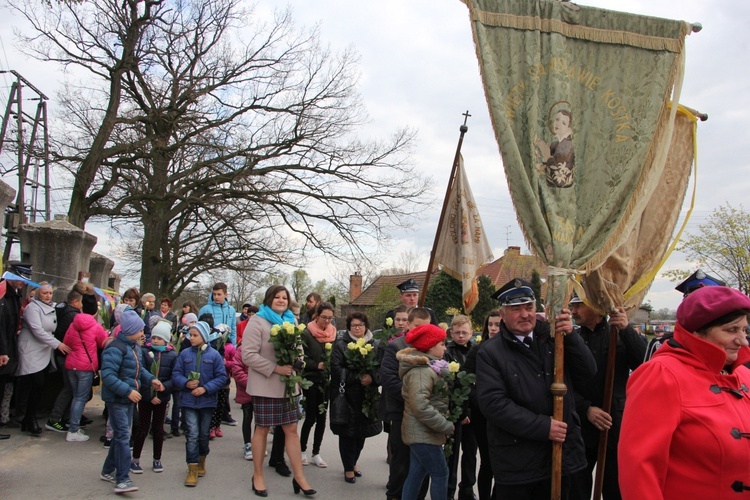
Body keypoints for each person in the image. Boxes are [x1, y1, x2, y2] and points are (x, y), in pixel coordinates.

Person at [619, 286, 750, 498]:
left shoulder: (743, 375)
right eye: (731, 330)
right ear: (697, 331)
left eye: (744, 330)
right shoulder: (662, 375)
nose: (743, 340)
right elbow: (640, 469)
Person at [476, 279, 596, 500]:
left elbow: (588, 372)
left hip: (563, 455)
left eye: (529, 307)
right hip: (518, 463)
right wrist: (543, 426)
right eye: (516, 309)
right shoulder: (490, 352)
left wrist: (571, 337)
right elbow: (493, 404)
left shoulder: (555, 339)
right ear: (502, 314)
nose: (524, 314)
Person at [568, 294, 646, 500]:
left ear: (595, 306)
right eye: (572, 306)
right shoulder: (571, 340)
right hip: (581, 424)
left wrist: (626, 330)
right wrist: (587, 409)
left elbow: (644, 363)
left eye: (578, 306)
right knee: (577, 487)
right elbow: (563, 383)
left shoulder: (618, 334)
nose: (573, 311)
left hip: (615, 423)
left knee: (615, 486)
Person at [242, 284, 315, 497]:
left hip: (289, 386)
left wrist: (299, 362)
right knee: (262, 429)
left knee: (291, 430)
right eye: (277, 297)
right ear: (269, 299)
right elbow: (248, 355)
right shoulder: (257, 321)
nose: (281, 300)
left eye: (284, 297)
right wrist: (275, 368)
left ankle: (300, 477)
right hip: (265, 385)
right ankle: (257, 476)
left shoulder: (291, 320)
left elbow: (299, 348)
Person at [100, 309, 164, 494]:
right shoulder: (115, 348)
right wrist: (128, 391)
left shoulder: (134, 347)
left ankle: (108, 470)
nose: (143, 334)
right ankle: (122, 479)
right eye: (140, 330)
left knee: (122, 435)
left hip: (128, 398)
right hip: (118, 399)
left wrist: (151, 379)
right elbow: (109, 376)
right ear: (129, 330)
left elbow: (140, 369)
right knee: (122, 437)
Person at [380, 307, 432, 500]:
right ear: (408, 324)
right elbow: (388, 379)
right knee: (401, 462)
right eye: (418, 326)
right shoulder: (396, 347)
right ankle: (394, 495)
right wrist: (413, 398)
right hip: (401, 412)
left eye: (426, 327)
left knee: (424, 462)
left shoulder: (432, 347)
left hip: (426, 415)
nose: (422, 331)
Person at [398, 323, 454, 500]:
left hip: (422, 431)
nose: (445, 347)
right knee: (440, 474)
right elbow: (420, 406)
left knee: (416, 473)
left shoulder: (429, 367)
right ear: (430, 346)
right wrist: (445, 425)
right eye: (442, 344)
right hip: (423, 432)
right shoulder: (422, 371)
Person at [172, 320, 228, 487]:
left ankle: (202, 458)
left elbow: (221, 378)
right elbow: (176, 374)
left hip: (207, 402)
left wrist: (205, 388)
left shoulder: (214, 355)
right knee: (192, 435)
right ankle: (192, 467)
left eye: (195, 335)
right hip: (188, 402)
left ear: (204, 336)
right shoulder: (184, 354)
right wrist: (185, 383)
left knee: (203, 435)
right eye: (190, 335)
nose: (191, 338)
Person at [330, 312, 383, 484]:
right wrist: (358, 377)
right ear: (349, 327)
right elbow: (336, 369)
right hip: (347, 396)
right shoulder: (341, 345)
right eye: (354, 325)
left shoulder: (375, 344)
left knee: (361, 434)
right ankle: (348, 467)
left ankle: (353, 463)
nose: (358, 328)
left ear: (366, 326)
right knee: (347, 434)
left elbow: (381, 367)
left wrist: (372, 378)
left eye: (360, 325)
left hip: (366, 397)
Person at [16, 282, 70, 436]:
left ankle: (29, 417)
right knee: (32, 382)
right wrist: (57, 344)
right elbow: (37, 330)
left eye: (50, 293)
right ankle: (27, 417)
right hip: (31, 349)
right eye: (45, 293)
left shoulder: (52, 307)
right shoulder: (32, 308)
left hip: (44, 350)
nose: (48, 296)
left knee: (38, 385)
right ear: (38, 293)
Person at [644, 269, 726, 361]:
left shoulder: (734, 345)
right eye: (693, 301)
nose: (701, 307)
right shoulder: (661, 344)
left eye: (708, 301)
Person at [130, 320, 178, 474]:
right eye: (154, 337)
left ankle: (157, 459)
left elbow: (174, 377)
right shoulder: (144, 351)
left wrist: (164, 389)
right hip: (146, 398)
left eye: (159, 338)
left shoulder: (172, 355)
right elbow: (141, 373)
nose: (155, 340)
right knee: (143, 428)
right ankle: (135, 459)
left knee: (158, 429)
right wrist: (150, 395)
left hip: (162, 398)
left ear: (166, 339)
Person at [464, 310, 502, 500]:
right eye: (491, 324)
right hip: (483, 414)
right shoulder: (478, 350)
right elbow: (464, 381)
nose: (494, 328)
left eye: (498, 324)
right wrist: (479, 400)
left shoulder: (511, 349)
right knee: (487, 462)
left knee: (503, 463)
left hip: (506, 415)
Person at [63, 293, 110, 442]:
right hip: (86, 367)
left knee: (75, 396)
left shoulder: (73, 324)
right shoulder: (95, 327)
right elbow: (103, 343)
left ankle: (73, 425)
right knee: (80, 398)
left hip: (71, 364)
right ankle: (73, 430)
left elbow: (67, 342)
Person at [444, 315, 478, 500]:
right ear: (451, 333)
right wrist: (458, 409)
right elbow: (450, 384)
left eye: (465, 332)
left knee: (471, 452)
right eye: (457, 332)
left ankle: (466, 489)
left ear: (471, 332)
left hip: (473, 410)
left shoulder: (476, 350)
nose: (461, 336)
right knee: (452, 453)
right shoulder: (447, 352)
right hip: (454, 409)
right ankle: (448, 490)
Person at [300, 302, 336, 468]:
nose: (327, 321)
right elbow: (301, 358)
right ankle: (302, 451)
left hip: (326, 381)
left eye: (330, 318)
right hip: (311, 379)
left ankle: (316, 452)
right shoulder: (307, 333)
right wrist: (316, 365)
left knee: (322, 417)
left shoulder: (333, 333)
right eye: (323, 317)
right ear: (316, 315)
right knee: (310, 417)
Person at [46, 287, 84, 433]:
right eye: (81, 303)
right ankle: (54, 419)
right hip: (66, 354)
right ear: (75, 302)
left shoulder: (62, 310)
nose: (82, 306)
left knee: (70, 388)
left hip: (61, 354)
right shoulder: (73, 315)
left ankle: (65, 417)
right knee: (69, 388)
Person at [0, 271, 26, 435]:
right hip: (4, 349)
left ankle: (3, 418)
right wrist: (3, 351)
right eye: (20, 279)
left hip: (9, 346)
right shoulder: (3, 296)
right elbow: (1, 326)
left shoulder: (14, 296)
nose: (23, 282)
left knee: (5, 386)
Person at [535, 109, 575, 188]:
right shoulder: (555, 144)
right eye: (557, 119)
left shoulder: (567, 145)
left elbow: (560, 181)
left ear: (569, 129)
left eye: (563, 123)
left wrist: (546, 155)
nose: (558, 124)